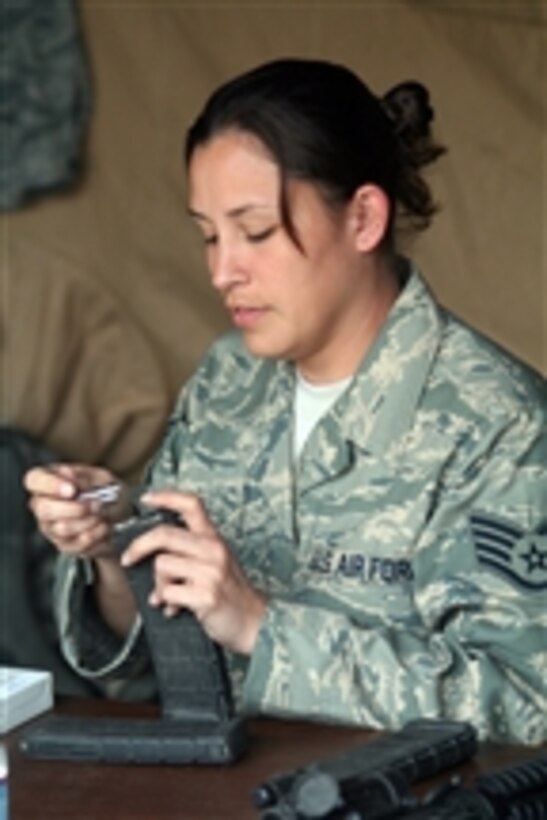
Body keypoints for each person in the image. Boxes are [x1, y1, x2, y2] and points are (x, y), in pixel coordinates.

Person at [25, 58, 546, 742]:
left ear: (362, 218)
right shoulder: (228, 382)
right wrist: (112, 550)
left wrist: (263, 627)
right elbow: (154, 663)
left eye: (256, 232)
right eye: (209, 235)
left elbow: (524, 706)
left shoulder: (495, 423)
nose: (220, 271)